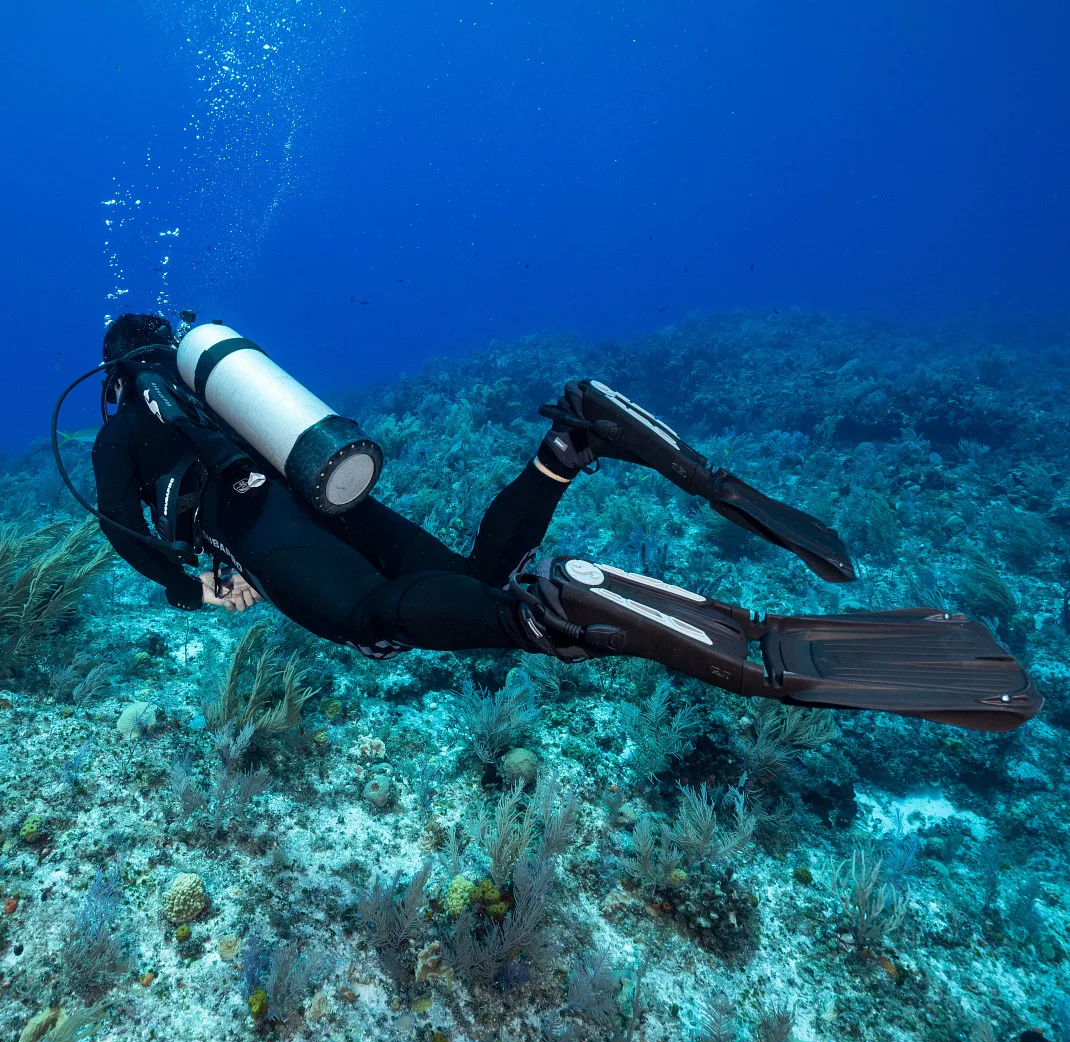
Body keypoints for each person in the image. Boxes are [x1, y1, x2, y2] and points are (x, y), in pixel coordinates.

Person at [86, 313, 1041, 731]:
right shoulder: (224, 397)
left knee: (372, 620)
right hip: (324, 485)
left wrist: (189, 587)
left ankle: (540, 618)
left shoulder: (126, 427)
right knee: (462, 576)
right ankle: (570, 445)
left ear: (117, 374)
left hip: (258, 527)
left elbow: (127, 530)